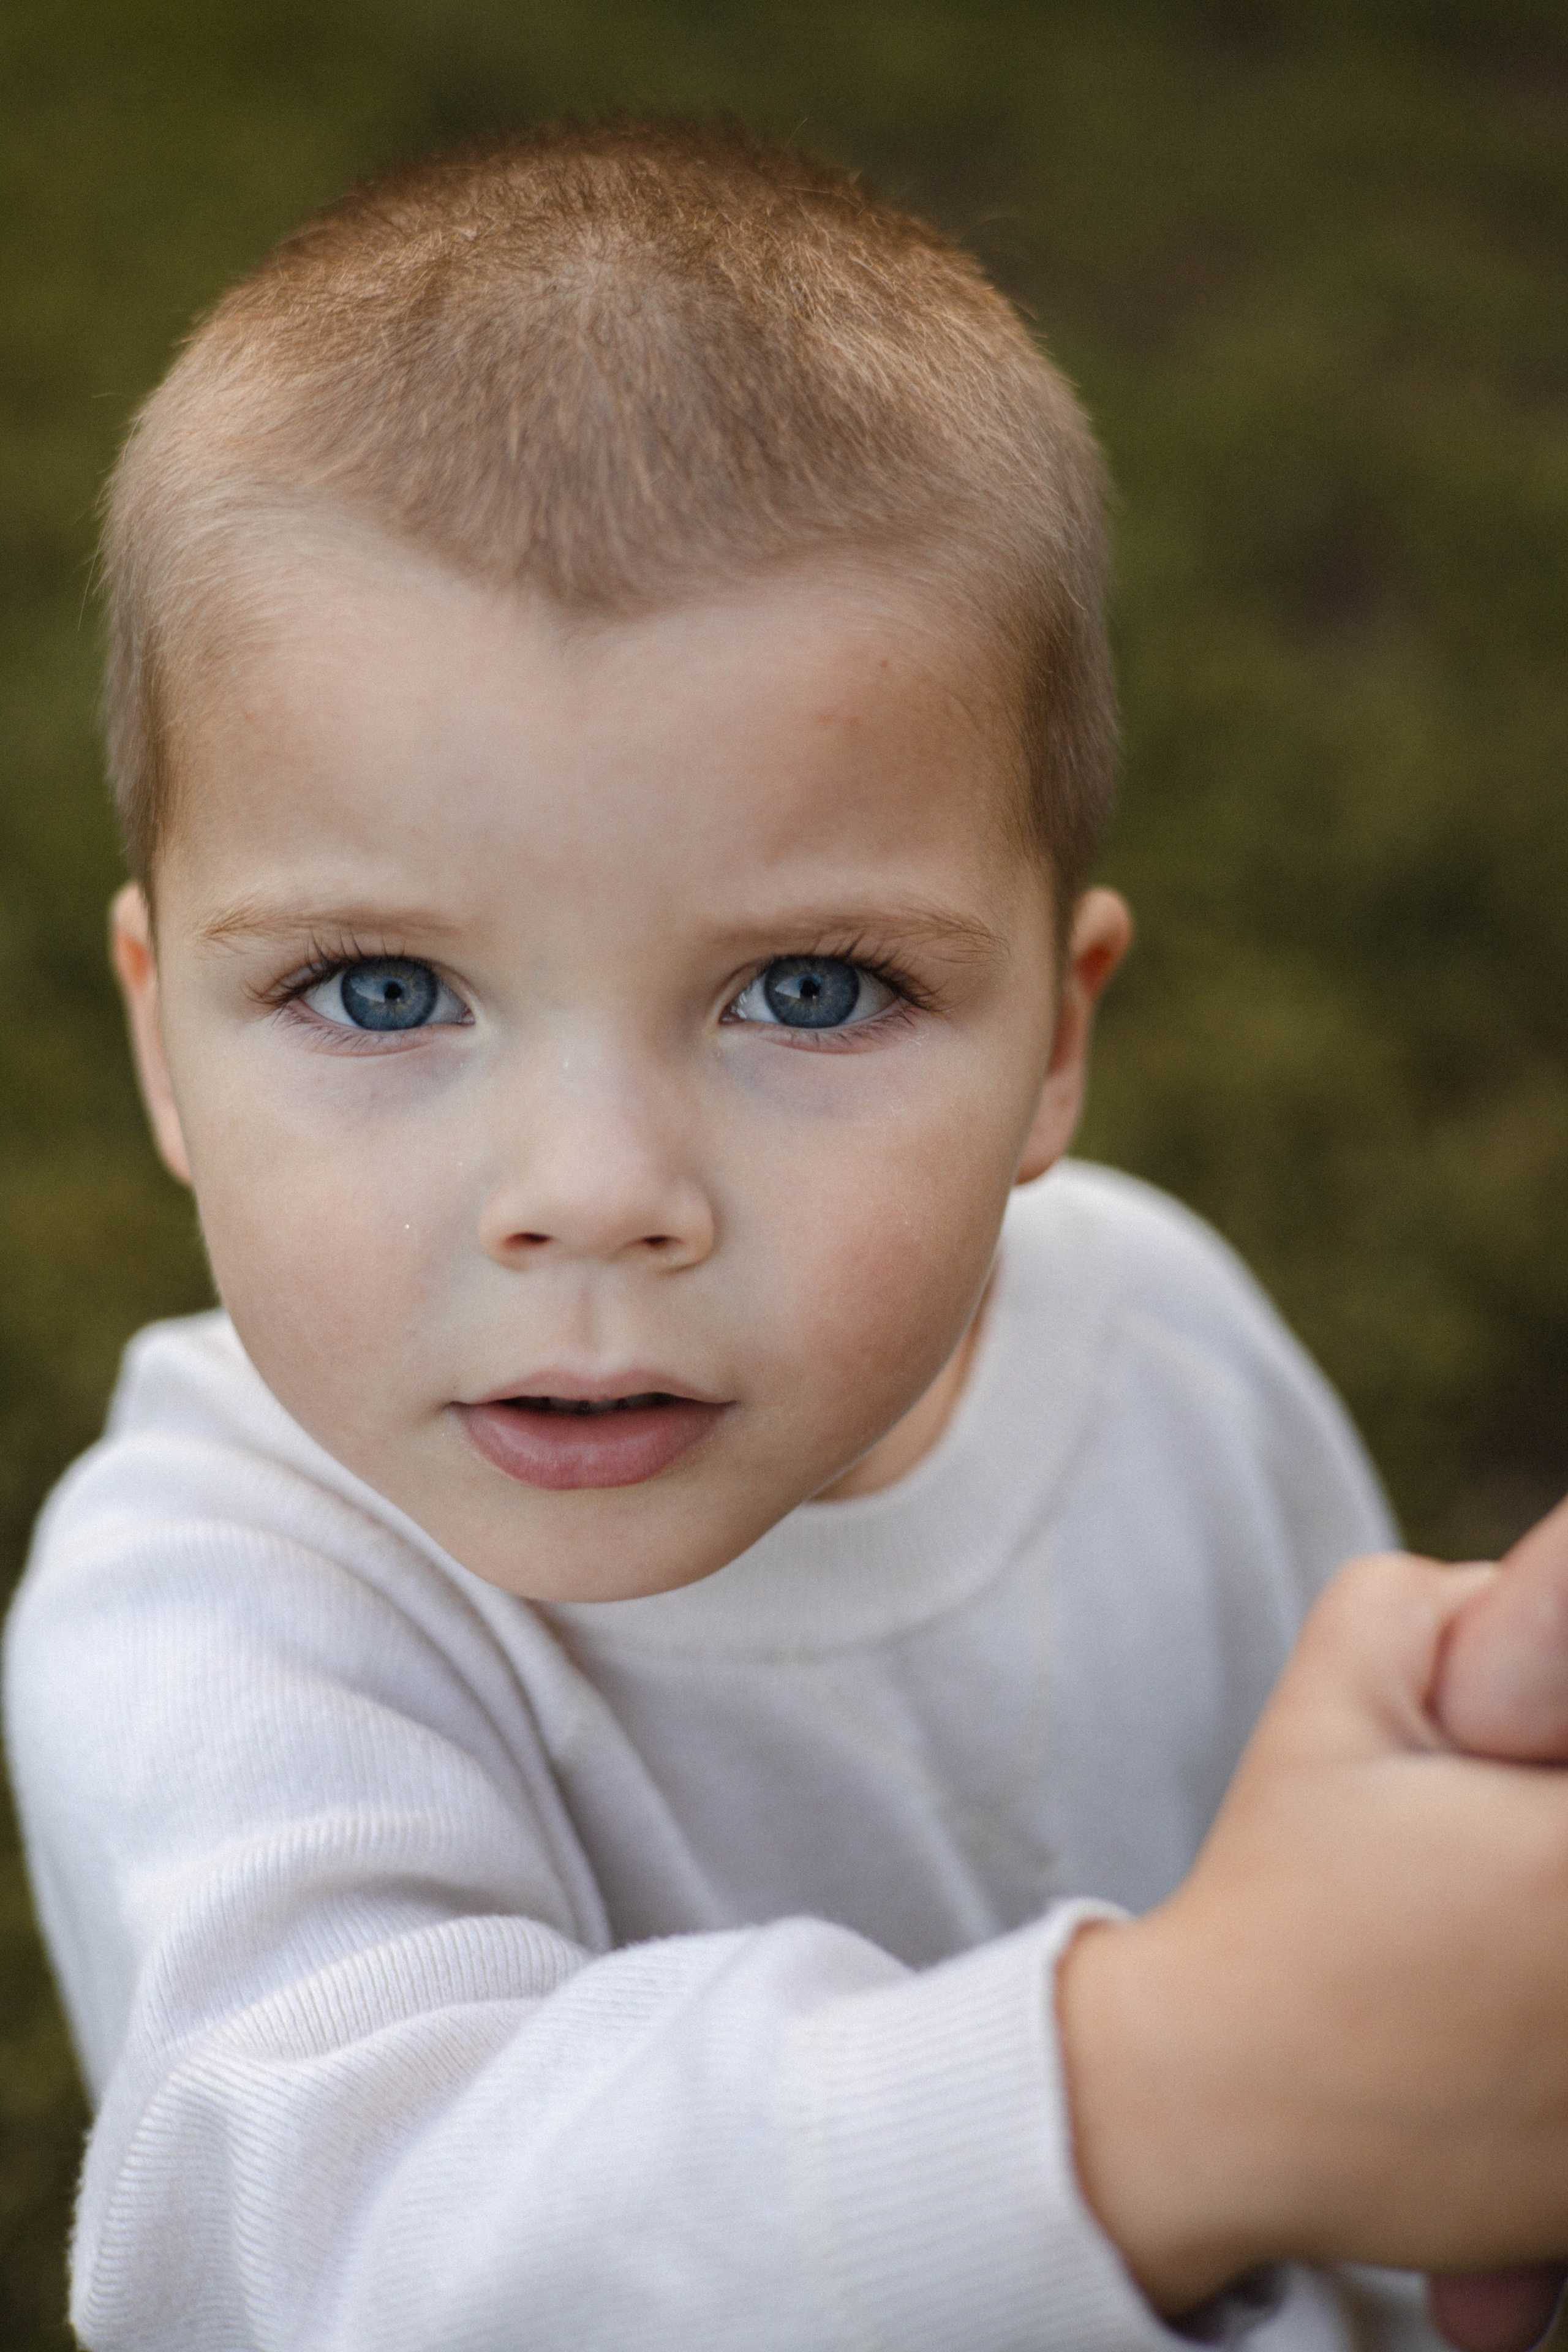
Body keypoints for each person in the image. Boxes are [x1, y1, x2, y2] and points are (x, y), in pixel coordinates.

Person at [6, 119, 1568, 2352]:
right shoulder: (216, 1599)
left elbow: (1360, 1977)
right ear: (166, 1046)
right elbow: (347, 2255)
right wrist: (1174, 2088)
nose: (596, 1194)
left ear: (1055, 1041)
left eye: (809, 992)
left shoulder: (1167, 1345)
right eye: (380, 993)